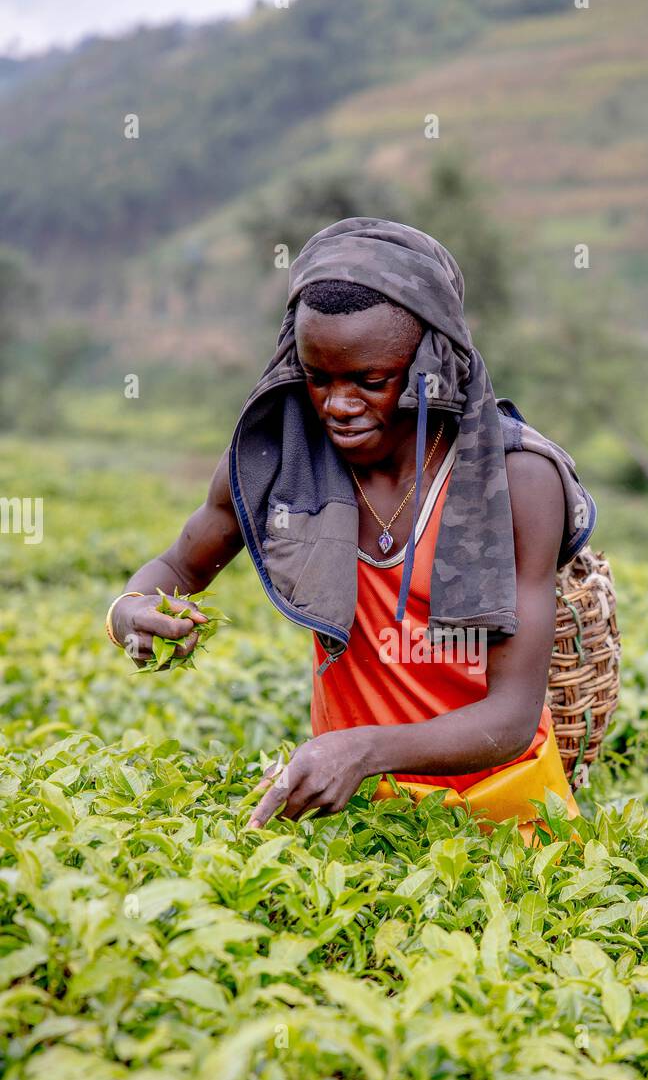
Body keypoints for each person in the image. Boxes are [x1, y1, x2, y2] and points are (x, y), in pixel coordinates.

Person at [105, 218, 596, 839]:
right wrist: (129, 610)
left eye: (371, 382)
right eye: (318, 378)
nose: (338, 405)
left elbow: (511, 717)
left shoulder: (516, 479)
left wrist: (360, 750)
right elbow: (178, 566)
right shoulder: (283, 463)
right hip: (359, 818)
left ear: (430, 365)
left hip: (511, 820)